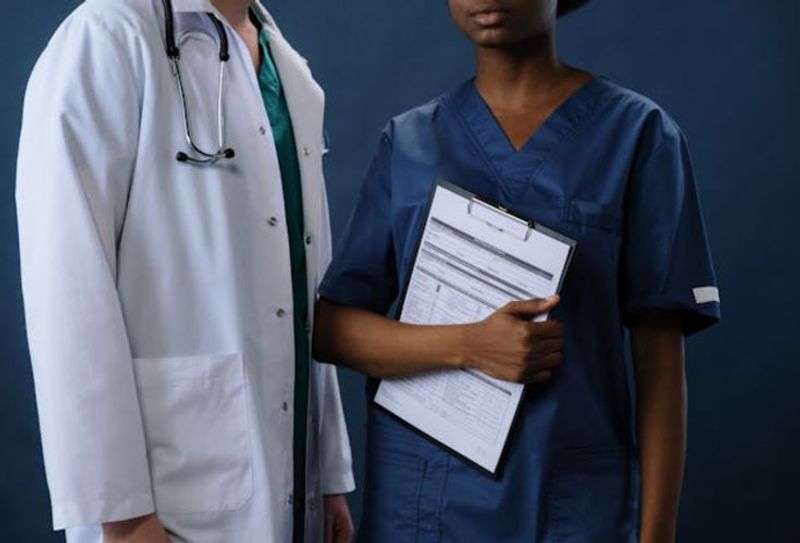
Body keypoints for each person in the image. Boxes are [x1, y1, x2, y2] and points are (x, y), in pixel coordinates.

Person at [313, 0, 721, 541]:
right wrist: (469, 345)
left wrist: (657, 535)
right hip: (423, 503)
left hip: (569, 503)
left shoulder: (638, 136)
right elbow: (328, 328)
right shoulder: (409, 143)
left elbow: (661, 360)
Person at [16, 0, 355, 542]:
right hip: (163, 506)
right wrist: (123, 518)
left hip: (291, 484)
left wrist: (329, 474)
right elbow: (67, 292)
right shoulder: (106, 36)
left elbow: (304, 279)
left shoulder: (285, 64)